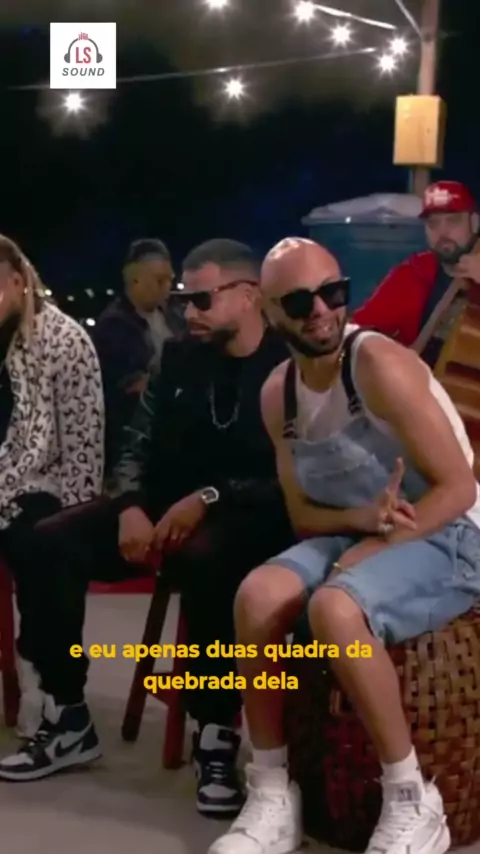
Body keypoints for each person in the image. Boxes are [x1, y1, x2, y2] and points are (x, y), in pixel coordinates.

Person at [0, 239, 293, 816]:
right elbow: (134, 445)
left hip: (244, 514)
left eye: (202, 299)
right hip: (160, 506)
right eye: (183, 299)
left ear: (249, 296)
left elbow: (289, 477)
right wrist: (130, 504)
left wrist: (209, 498)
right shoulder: (177, 357)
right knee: (46, 541)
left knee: (213, 561)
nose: (189, 312)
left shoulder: (284, 366)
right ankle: (67, 715)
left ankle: (215, 733)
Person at [209, 237, 480, 854]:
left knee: (336, 606)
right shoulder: (278, 394)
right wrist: (366, 521)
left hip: (452, 532)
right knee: (256, 596)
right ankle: (272, 791)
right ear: (269, 311)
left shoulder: (376, 364)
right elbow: (304, 516)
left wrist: (380, 546)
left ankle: (412, 798)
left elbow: (459, 488)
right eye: (299, 301)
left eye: (333, 292)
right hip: (365, 527)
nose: (321, 311)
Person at [0, 235, 104, 740]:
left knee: (42, 540)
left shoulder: (63, 340)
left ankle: (56, 693)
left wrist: (76, 526)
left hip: (45, 486)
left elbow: (84, 449)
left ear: (19, 282)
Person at [353, 180, 480, 368]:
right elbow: (358, 330)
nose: (443, 232)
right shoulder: (413, 272)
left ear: (474, 223)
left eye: (453, 220)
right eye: (433, 223)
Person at [92, 238, 184, 473]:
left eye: (170, 279)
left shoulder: (174, 315)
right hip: (132, 437)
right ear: (135, 279)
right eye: (159, 280)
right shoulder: (113, 326)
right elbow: (128, 385)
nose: (167, 287)